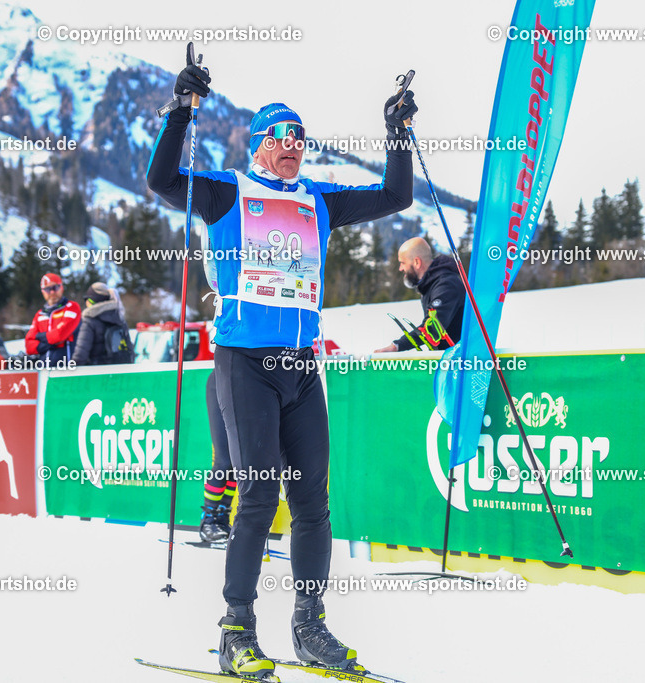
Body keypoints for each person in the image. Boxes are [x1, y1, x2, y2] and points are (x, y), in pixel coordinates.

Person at [147, 44, 416, 679]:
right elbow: (162, 181)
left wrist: (397, 132)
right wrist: (181, 110)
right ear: (259, 145)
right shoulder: (226, 191)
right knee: (259, 496)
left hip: (301, 368)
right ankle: (235, 631)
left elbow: (396, 195)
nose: (292, 146)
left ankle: (309, 626)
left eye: (299, 137)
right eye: (280, 137)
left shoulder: (319, 199)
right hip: (244, 364)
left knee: (314, 503)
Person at [374, 237, 466, 353]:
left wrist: (397, 346)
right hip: (449, 356)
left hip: (463, 358)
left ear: (417, 262)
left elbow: (433, 327)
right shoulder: (432, 284)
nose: (400, 268)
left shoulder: (446, 285)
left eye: (402, 263)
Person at [199, 371, 237, 542]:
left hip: (248, 386)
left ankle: (222, 518)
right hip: (222, 382)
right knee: (224, 460)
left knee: (236, 462)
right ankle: (208, 521)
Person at [24, 273, 81, 366]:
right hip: (44, 370)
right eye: (47, 289)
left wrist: (40, 336)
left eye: (55, 287)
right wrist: (51, 343)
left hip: (67, 368)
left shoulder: (72, 307)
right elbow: (29, 346)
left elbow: (60, 335)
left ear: (61, 287)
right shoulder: (39, 314)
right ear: (43, 292)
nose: (52, 292)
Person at [72, 282, 134, 366]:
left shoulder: (90, 320)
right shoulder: (119, 318)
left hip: (97, 371)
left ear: (92, 301)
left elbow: (81, 354)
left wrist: (73, 368)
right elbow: (129, 349)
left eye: (87, 299)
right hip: (120, 369)